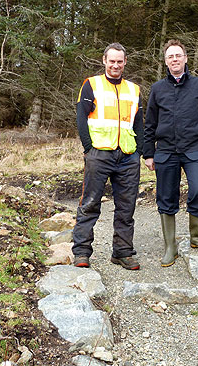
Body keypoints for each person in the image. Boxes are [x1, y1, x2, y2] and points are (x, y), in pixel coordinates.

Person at [143, 39, 198, 267]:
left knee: (197, 190)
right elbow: (150, 124)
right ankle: (170, 246)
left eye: (178, 55)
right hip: (165, 151)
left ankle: (195, 236)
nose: (174, 59)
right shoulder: (157, 89)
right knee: (166, 198)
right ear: (166, 62)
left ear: (185, 58)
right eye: (170, 57)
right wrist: (148, 154)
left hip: (195, 150)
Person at [72, 42, 143, 270]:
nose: (115, 65)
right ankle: (82, 252)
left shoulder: (134, 89)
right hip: (99, 154)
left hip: (128, 155)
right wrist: (88, 147)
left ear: (125, 63)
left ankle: (122, 252)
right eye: (111, 61)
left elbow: (139, 123)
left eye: (119, 61)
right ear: (104, 60)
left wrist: (140, 150)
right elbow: (81, 118)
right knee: (90, 203)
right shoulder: (91, 84)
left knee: (126, 206)